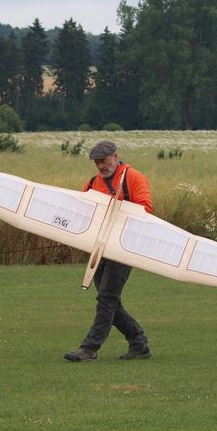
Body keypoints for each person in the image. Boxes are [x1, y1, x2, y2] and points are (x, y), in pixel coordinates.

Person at [64, 141, 153, 362]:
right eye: (97, 163)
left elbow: (146, 210)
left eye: (103, 161)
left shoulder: (133, 177)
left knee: (107, 299)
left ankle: (89, 348)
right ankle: (138, 343)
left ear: (115, 156)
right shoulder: (93, 183)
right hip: (99, 249)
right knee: (111, 302)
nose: (100, 166)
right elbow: (83, 211)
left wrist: (117, 210)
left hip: (124, 248)